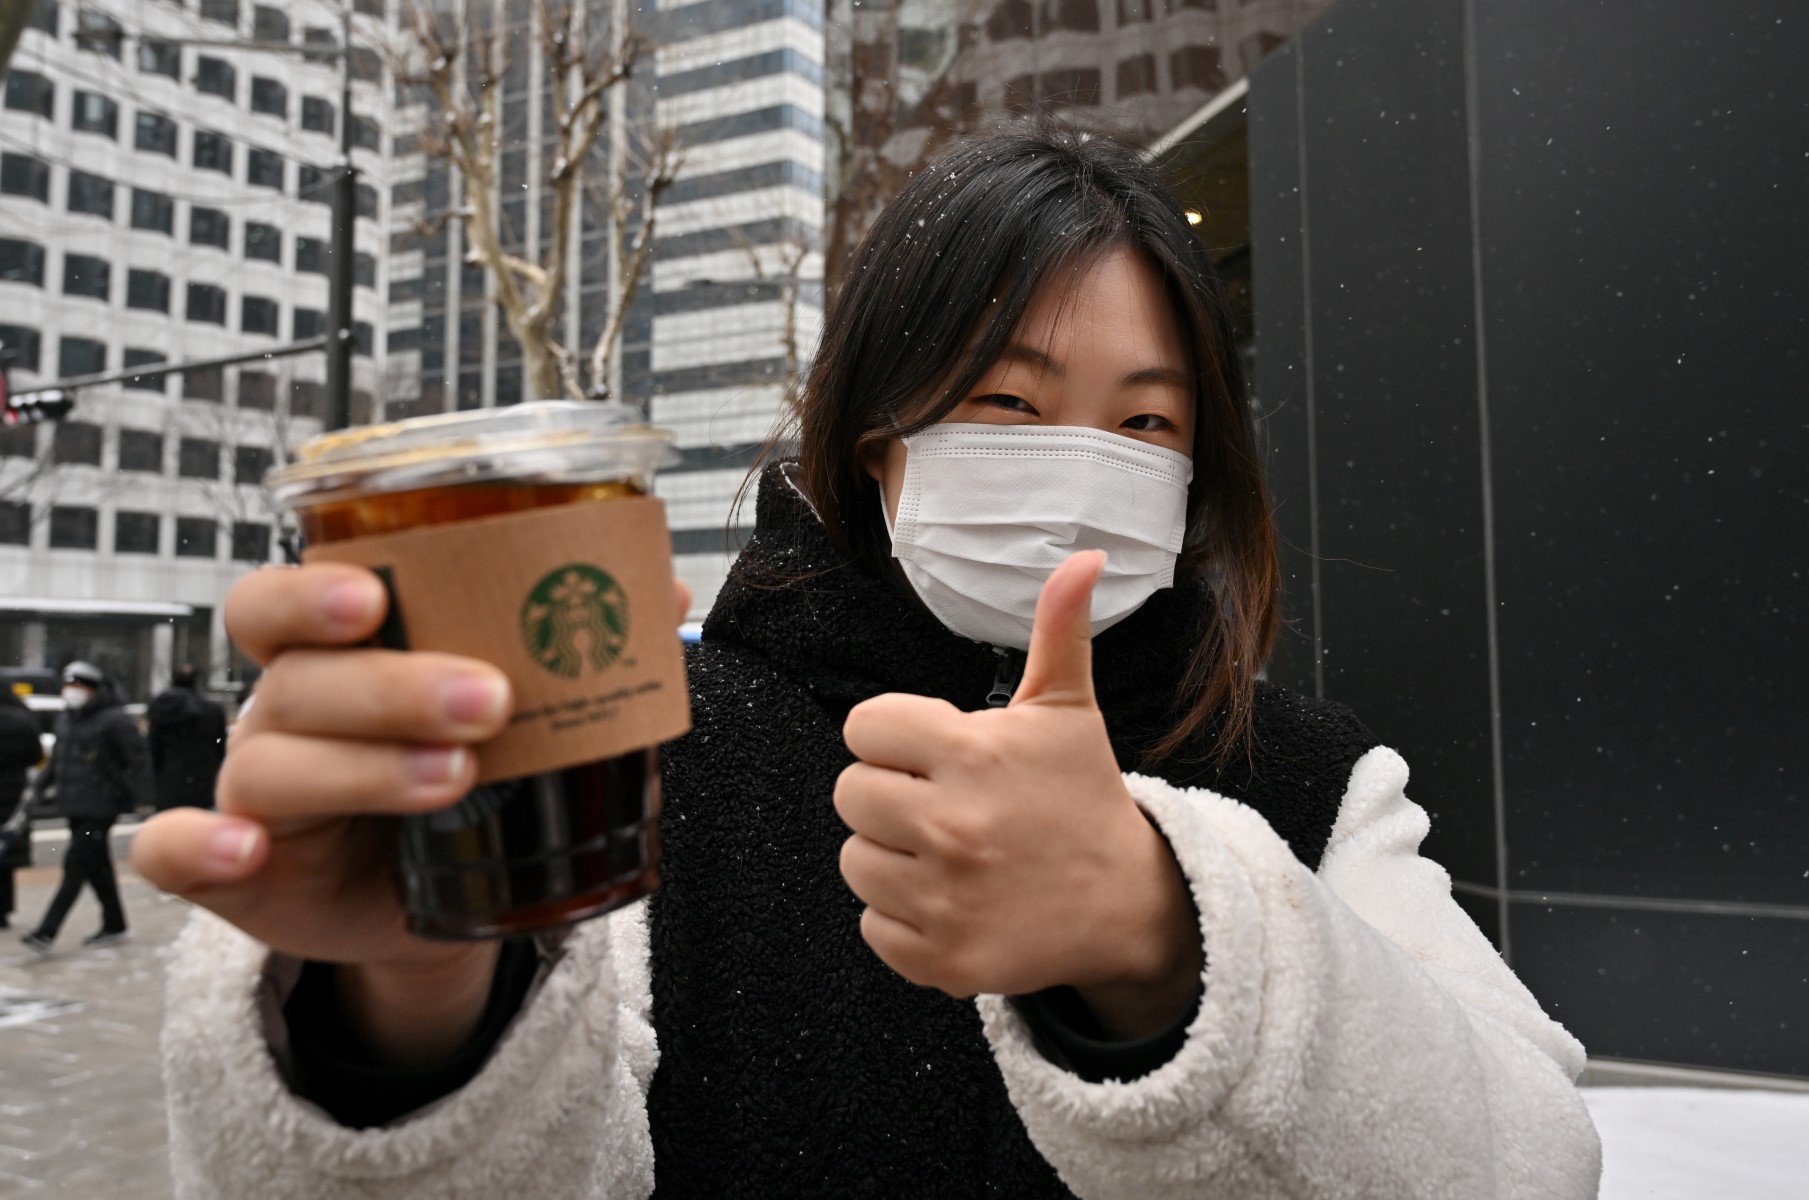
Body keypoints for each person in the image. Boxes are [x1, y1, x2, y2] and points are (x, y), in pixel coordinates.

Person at [133, 128, 1602, 1197]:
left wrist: (1169, 938)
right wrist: (401, 1023)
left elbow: (1532, 1166)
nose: (1079, 469)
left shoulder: (1311, 781)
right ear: (875, 440)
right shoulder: (638, 754)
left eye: (1146, 424)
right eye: (1008, 403)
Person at [19, 661, 152, 952]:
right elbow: (58, 761)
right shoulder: (68, 718)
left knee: (75, 865)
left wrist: (143, 800)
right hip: (74, 804)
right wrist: (38, 788)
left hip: (102, 806)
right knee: (98, 868)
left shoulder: (116, 719)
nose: (71, 692)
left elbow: (138, 760)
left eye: (78, 686)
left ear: (94, 690)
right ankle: (115, 925)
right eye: (68, 686)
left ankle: (47, 931)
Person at [147, 664, 227, 811]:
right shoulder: (212, 710)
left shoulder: (160, 708)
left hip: (168, 778)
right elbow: (219, 745)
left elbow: (153, 745)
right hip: (202, 779)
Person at [0, 687, 43, 929]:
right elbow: (35, 755)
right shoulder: (22, 720)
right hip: (12, 792)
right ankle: (3, 909)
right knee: (5, 852)